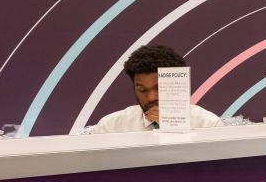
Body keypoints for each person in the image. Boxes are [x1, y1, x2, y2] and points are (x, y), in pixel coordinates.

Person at [92, 44, 222, 133]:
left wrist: (173, 127)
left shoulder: (209, 125)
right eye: (142, 90)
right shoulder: (111, 126)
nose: (151, 98)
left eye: (159, 88)